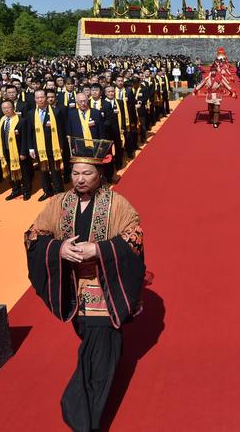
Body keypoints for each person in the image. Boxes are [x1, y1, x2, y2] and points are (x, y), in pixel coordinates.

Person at [25, 138, 145, 431]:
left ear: (100, 174)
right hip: (72, 286)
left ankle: (84, 414)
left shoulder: (118, 204)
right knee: (93, 343)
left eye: (86, 173)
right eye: (75, 173)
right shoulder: (59, 203)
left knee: (99, 350)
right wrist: (57, 249)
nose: (79, 179)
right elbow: (32, 235)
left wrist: (99, 250)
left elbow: (134, 238)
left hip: (105, 285)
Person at [27, 89, 66, 201]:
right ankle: (47, 191)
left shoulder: (56, 112)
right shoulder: (31, 113)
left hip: (54, 147)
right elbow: (29, 132)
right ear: (35, 99)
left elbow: (60, 131)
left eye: (42, 97)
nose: (40, 99)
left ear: (46, 98)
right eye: (37, 98)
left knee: (56, 171)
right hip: (39, 148)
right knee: (43, 171)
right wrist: (30, 148)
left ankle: (59, 192)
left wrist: (61, 146)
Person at [0, 99, 33, 201]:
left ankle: (26, 190)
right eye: (4, 108)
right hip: (6, 151)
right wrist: (0, 152)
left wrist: (23, 152)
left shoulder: (22, 120)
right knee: (11, 171)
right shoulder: (1, 121)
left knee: (24, 172)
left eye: (8, 108)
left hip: (19, 151)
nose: (6, 110)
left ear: (13, 108)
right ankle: (15, 189)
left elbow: (26, 138)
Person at [193, 64, 237, 128]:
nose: (213, 72)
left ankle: (215, 122)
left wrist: (232, 92)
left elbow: (226, 85)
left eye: (214, 71)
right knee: (211, 109)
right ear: (210, 72)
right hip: (210, 96)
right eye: (212, 71)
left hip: (217, 96)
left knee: (216, 109)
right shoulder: (207, 79)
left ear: (216, 71)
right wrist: (195, 91)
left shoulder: (219, 79)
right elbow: (201, 84)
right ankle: (211, 119)